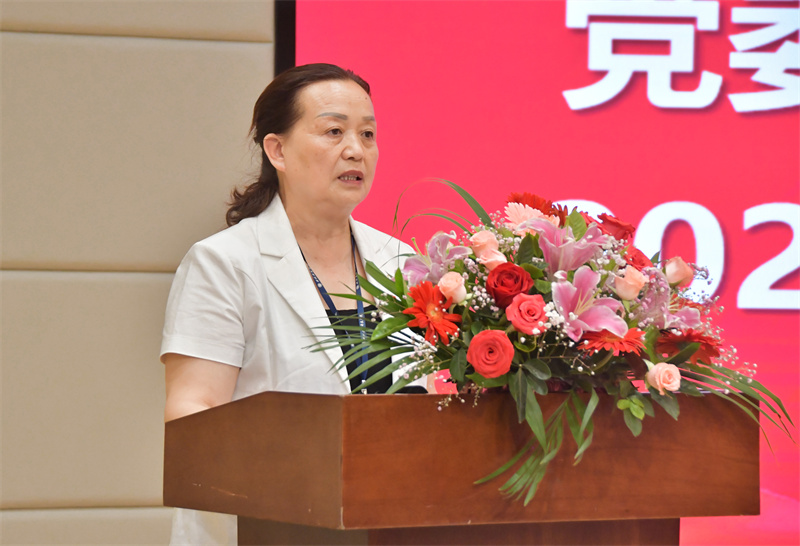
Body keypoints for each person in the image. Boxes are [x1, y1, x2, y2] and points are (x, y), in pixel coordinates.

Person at [160, 63, 420, 544]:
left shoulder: (402, 261)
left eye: (367, 134)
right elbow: (193, 413)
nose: (355, 149)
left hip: (388, 520)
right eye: (334, 131)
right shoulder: (224, 263)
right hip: (265, 524)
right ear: (277, 150)